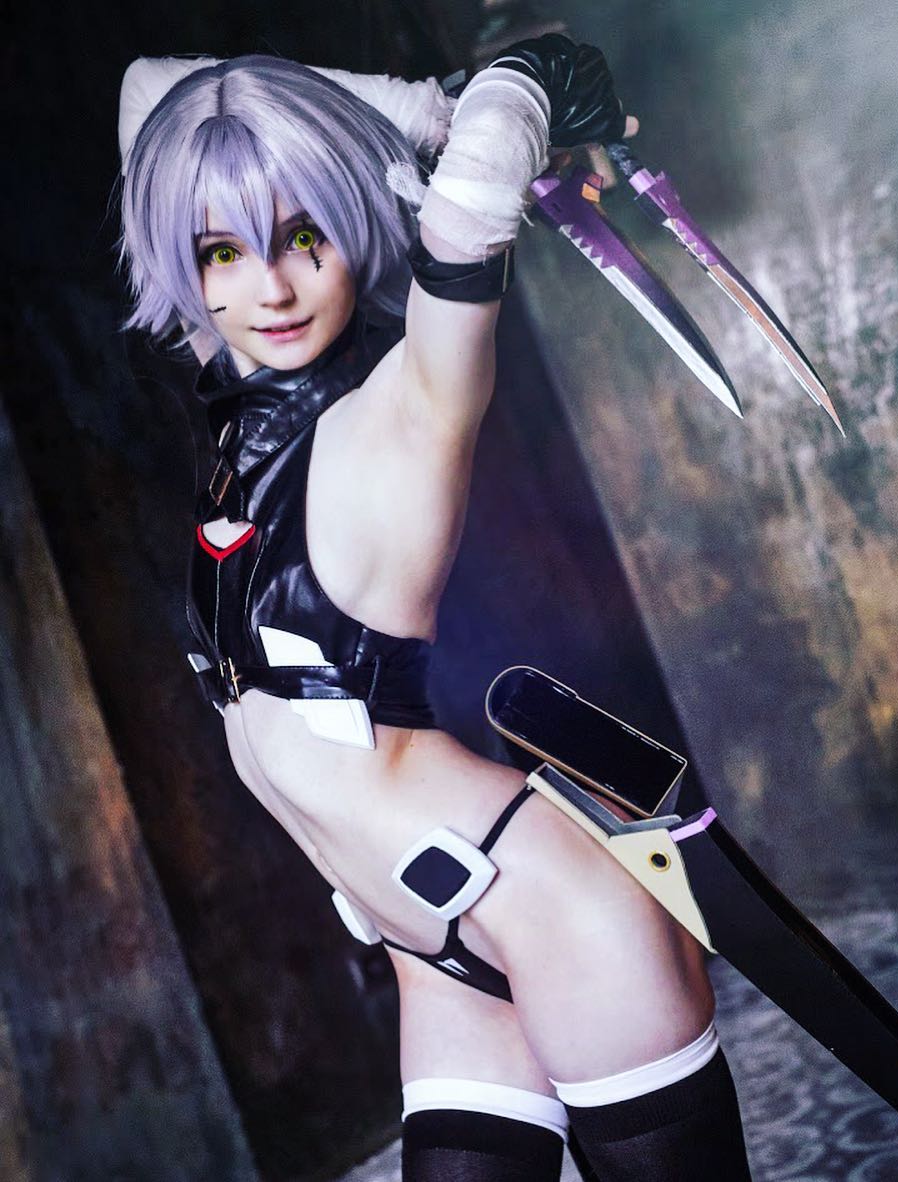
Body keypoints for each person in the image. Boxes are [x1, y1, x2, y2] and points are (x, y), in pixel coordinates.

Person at [118, 38, 753, 1180]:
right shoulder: (236, 392)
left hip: (550, 906)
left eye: (304, 236)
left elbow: (475, 188)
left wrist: (501, 100)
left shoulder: (413, 393)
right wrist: (417, 110)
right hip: (427, 946)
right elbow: (149, 92)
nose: (270, 289)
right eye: (222, 251)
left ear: (351, 228)